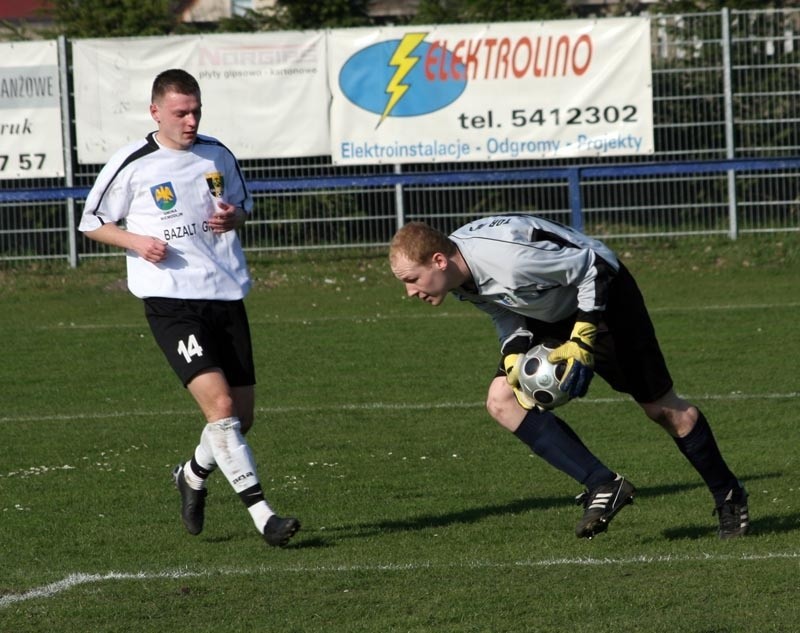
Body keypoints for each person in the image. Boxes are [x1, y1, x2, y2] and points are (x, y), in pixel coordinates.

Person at [389, 214, 749, 539]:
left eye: (412, 280)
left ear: (438, 261)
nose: (410, 291)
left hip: (604, 296)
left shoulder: (509, 260)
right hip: (548, 306)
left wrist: (582, 338)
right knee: (502, 400)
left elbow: (592, 267)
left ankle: (728, 495)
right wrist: (513, 353)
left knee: (663, 410)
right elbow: (502, 309)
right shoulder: (457, 271)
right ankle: (603, 484)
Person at [78, 68, 300, 547]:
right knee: (220, 408)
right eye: (181, 112)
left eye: (196, 110)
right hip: (171, 303)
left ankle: (192, 475)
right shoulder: (133, 162)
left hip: (225, 294)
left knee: (240, 419)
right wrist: (136, 241)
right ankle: (265, 517)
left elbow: (243, 207)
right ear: (155, 111)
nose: (191, 120)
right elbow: (91, 221)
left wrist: (232, 217)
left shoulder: (216, 153)